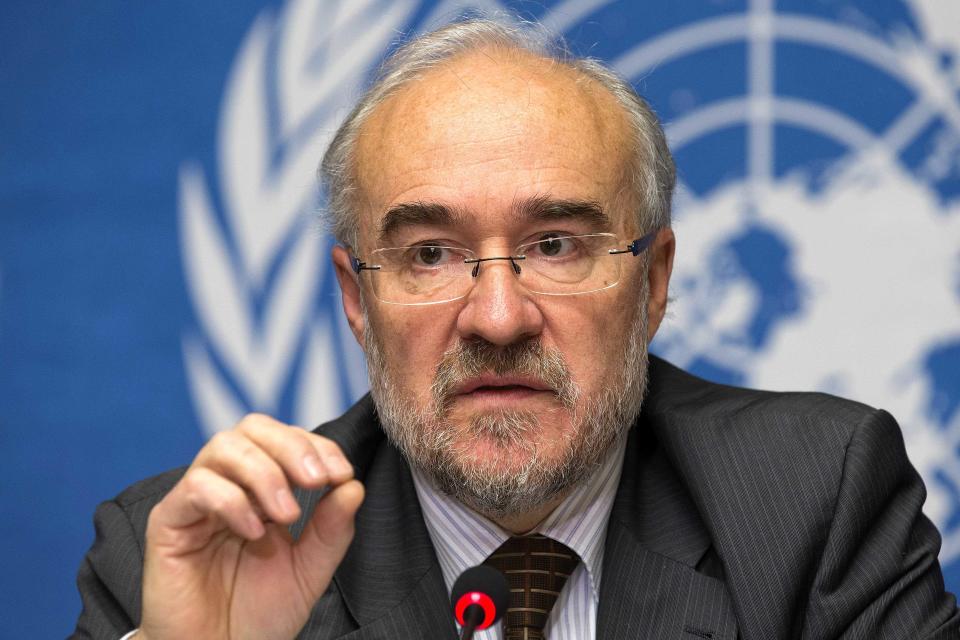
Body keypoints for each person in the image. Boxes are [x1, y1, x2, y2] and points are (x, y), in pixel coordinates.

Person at [72, 17, 959, 640]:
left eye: (557, 245)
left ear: (651, 283)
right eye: (428, 255)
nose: (497, 318)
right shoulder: (183, 560)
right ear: (356, 300)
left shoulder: (815, 501)